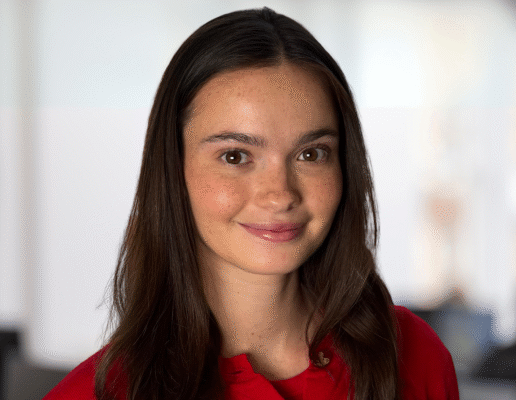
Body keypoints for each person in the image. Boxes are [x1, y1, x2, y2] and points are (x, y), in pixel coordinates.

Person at [43, 7, 459, 400]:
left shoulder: (413, 355)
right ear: (173, 168)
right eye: (235, 156)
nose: (280, 195)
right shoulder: (96, 394)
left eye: (311, 154)